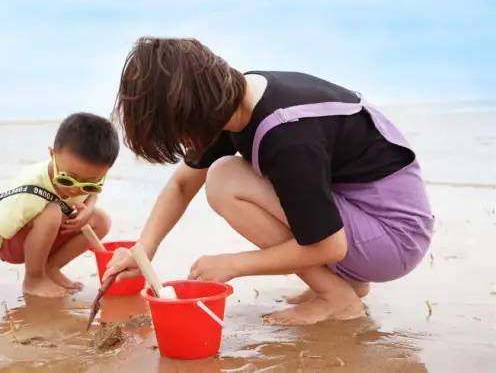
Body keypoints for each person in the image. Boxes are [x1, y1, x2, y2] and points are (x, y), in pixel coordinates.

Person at [104, 37, 434, 325]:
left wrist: (233, 264)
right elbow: (182, 184)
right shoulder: (234, 99)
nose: (183, 142)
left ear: (190, 111)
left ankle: (337, 298)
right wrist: (143, 250)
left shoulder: (287, 134)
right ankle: (347, 282)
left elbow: (330, 246)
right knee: (226, 174)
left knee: (225, 179)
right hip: (365, 221)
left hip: (394, 238)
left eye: (175, 132)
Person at [0, 113, 119, 298]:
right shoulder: (31, 187)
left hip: (46, 230)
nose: (76, 189)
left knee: (101, 220)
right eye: (67, 179)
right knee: (52, 212)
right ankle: (33, 280)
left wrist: (88, 208)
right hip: (12, 243)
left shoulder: (80, 174)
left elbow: (92, 194)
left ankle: (50, 268)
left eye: (90, 183)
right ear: (52, 155)